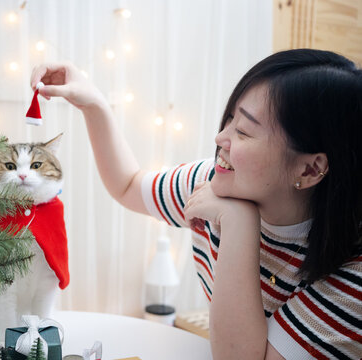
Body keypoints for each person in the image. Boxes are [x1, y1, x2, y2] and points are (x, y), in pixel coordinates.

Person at [30, 49, 362, 359]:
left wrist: (238, 226)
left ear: (310, 168)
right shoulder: (215, 182)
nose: (221, 138)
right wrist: (94, 103)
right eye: (230, 118)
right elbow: (129, 185)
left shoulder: (353, 280)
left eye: (244, 132)